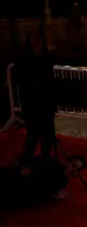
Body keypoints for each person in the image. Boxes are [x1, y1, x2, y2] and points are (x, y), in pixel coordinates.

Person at [15, 32, 56, 168]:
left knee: (47, 133)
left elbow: (49, 76)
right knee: (33, 133)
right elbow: (21, 76)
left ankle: (45, 158)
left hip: (45, 100)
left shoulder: (46, 55)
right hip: (31, 101)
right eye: (34, 40)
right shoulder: (24, 57)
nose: (37, 43)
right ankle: (27, 161)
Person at [0, 154, 86, 210]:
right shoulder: (52, 164)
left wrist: (54, 196)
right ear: (68, 162)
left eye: (78, 170)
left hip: (19, 195)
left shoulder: (63, 182)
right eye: (73, 166)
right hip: (15, 183)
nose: (73, 170)